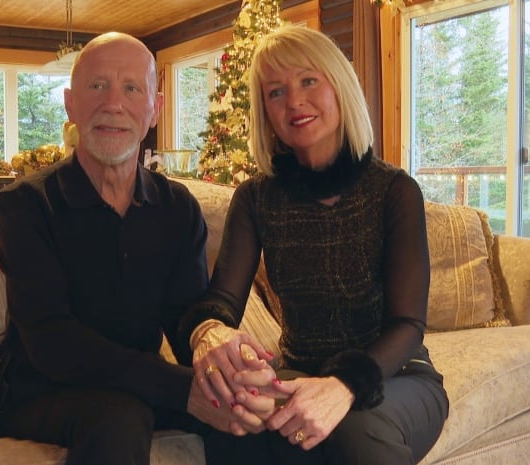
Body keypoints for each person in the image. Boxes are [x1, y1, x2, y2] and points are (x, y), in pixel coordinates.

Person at [0, 31, 269, 465]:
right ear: (71, 104)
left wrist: (225, 367)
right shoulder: (27, 205)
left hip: (140, 384)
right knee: (119, 416)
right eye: (97, 86)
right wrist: (178, 388)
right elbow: (52, 342)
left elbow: (183, 321)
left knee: (253, 411)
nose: (113, 104)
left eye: (131, 88)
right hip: (40, 389)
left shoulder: (177, 208)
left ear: (154, 108)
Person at [174, 25, 449, 464]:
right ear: (265, 112)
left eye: (308, 81)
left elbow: (407, 325)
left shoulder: (394, 191)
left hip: (395, 375)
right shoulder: (256, 198)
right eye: (276, 92)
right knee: (237, 425)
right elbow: (223, 298)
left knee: (355, 432)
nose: (294, 101)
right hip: (299, 369)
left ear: (338, 86)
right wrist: (211, 331)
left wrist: (343, 386)